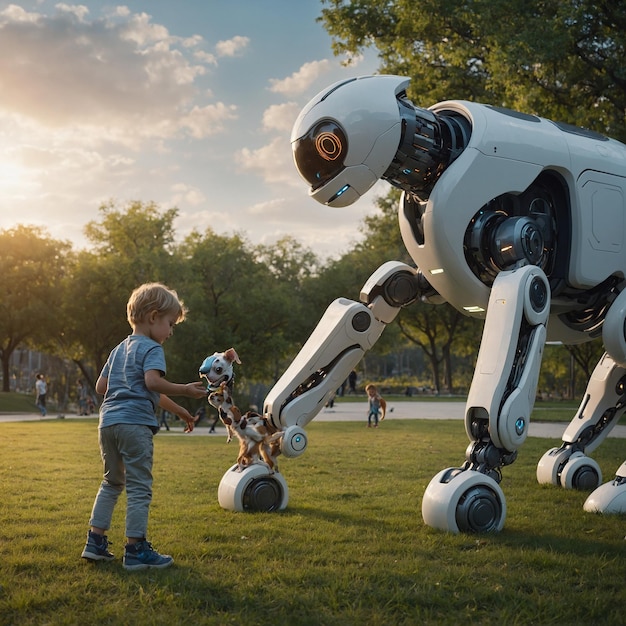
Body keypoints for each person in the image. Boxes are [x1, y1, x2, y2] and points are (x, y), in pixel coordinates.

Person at [81, 282, 207, 571]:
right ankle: (136, 549)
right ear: (153, 317)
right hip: (135, 425)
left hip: (108, 424)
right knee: (139, 487)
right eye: (170, 324)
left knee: (111, 482)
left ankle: (95, 542)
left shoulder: (118, 350)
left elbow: (102, 387)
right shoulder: (152, 348)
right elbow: (152, 383)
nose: (171, 332)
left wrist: (179, 411)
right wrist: (184, 390)